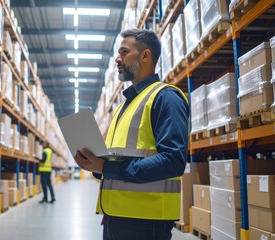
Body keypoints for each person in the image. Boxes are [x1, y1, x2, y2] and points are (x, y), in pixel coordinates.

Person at [74, 29, 189, 240]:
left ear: (145, 56)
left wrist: (106, 167)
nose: (117, 59)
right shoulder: (122, 108)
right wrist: (94, 165)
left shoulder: (165, 98)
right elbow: (117, 159)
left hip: (146, 224)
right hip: (114, 217)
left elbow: (173, 161)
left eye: (124, 52)